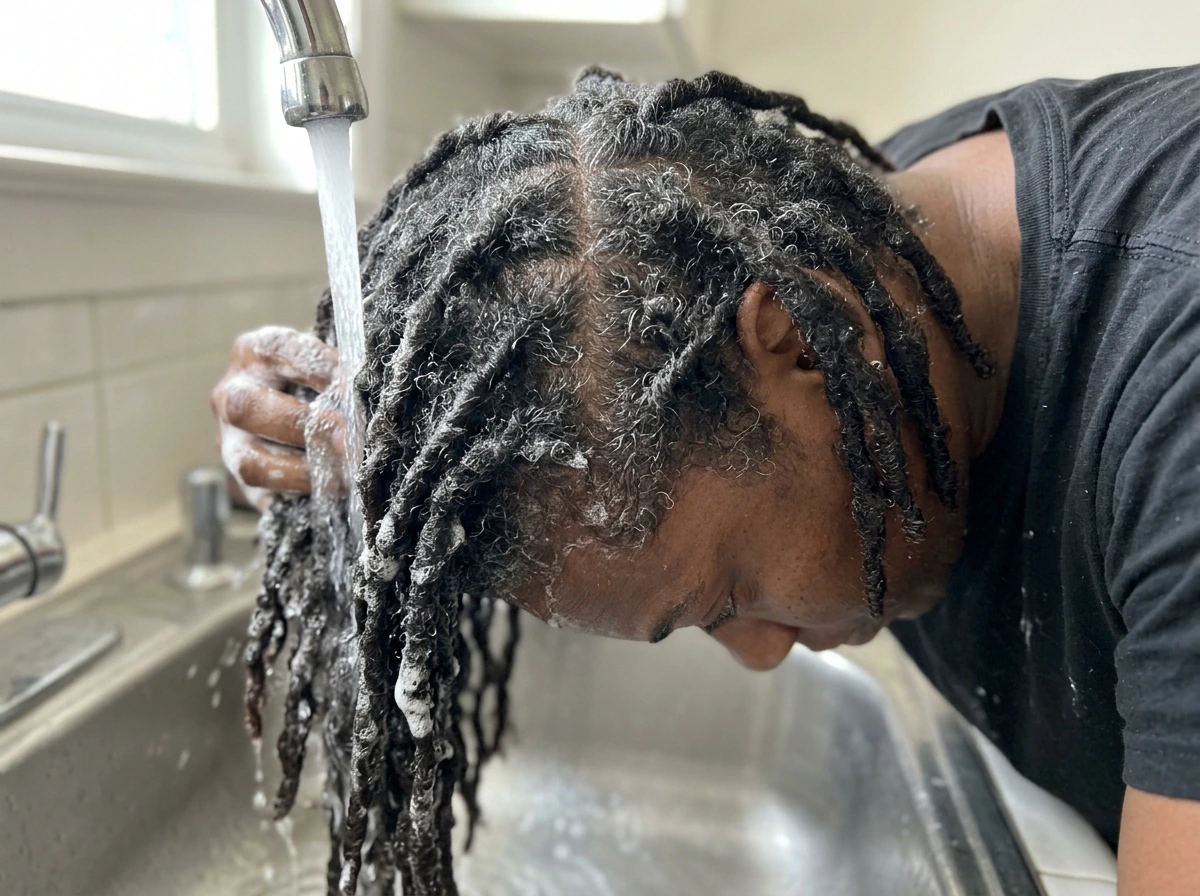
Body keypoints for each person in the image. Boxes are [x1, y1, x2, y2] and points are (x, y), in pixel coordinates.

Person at [211, 67, 1200, 894]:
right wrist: (382, 465)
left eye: (725, 596)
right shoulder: (861, 264)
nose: (763, 654)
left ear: (810, 335)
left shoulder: (1174, 386)